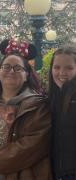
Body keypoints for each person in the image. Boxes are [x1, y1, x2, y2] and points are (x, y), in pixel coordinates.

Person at [0, 39, 52, 180]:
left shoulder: (37, 106)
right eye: (6, 67)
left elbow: (32, 146)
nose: (11, 71)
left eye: (18, 68)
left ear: (26, 75)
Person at [48, 45, 76, 180]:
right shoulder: (53, 97)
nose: (61, 73)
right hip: (56, 171)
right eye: (57, 67)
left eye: (69, 68)